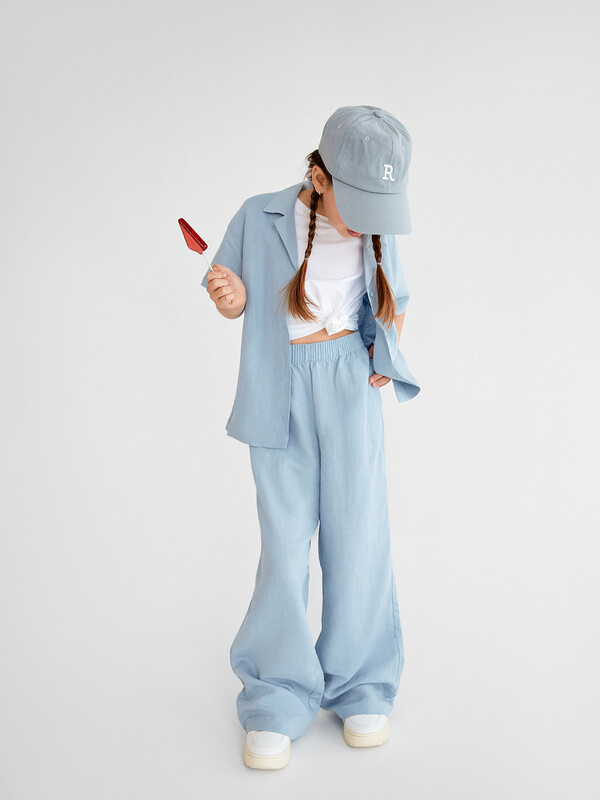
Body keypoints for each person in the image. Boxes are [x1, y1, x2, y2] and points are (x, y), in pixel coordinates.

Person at [201, 105, 420, 770]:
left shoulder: (374, 230)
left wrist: (385, 352)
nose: (367, 219)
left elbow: (395, 300)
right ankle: (277, 692)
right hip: (281, 386)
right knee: (285, 542)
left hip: (350, 383)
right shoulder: (259, 216)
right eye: (357, 202)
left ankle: (361, 683)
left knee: (359, 534)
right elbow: (235, 298)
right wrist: (229, 295)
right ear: (319, 178)